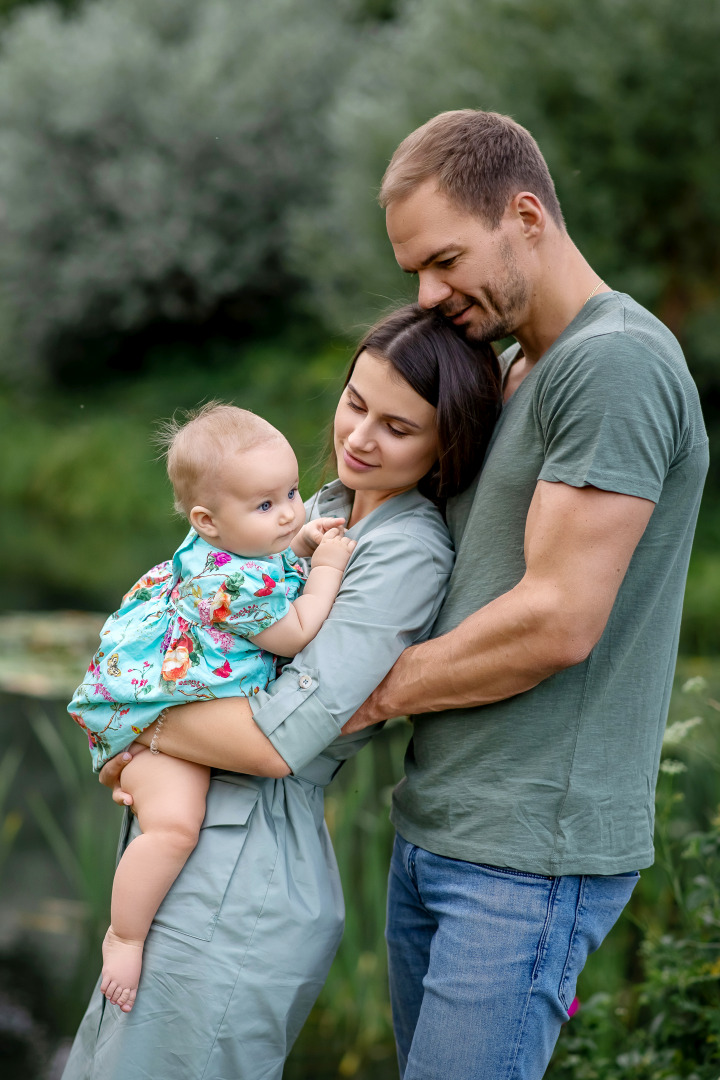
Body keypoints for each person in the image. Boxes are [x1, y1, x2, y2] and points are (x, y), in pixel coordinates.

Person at [336, 109, 708, 1078]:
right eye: (413, 268)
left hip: (526, 855)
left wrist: (360, 693)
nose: (427, 293)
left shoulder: (613, 362)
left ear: (526, 214)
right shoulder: (513, 368)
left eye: (446, 258)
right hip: (445, 827)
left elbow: (558, 620)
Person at [61, 304, 500, 1080]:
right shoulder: (318, 509)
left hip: (243, 880)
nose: (360, 438)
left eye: (398, 428)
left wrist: (133, 725)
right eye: (356, 405)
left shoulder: (404, 552)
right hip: (192, 849)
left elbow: (277, 743)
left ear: (445, 442)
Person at [68, 403, 356, 1012]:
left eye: (292, 493)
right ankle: (125, 934)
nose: (287, 512)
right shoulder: (227, 580)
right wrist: (326, 567)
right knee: (174, 827)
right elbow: (295, 630)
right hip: (151, 712)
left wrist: (299, 543)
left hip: (173, 698)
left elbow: (275, 560)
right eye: (265, 505)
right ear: (207, 521)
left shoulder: (237, 543)